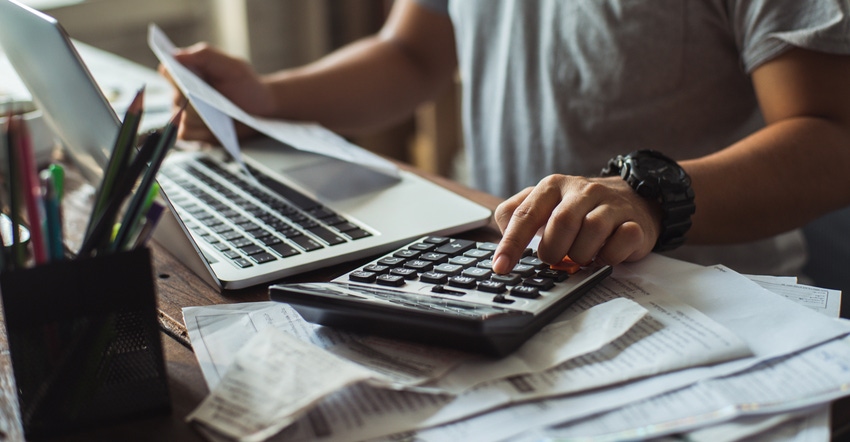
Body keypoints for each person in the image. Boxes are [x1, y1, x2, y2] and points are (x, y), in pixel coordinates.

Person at [165, 0, 850, 279]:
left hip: (697, 303)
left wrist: (649, 197)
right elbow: (412, 53)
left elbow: (831, 137)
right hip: (508, 273)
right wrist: (268, 100)